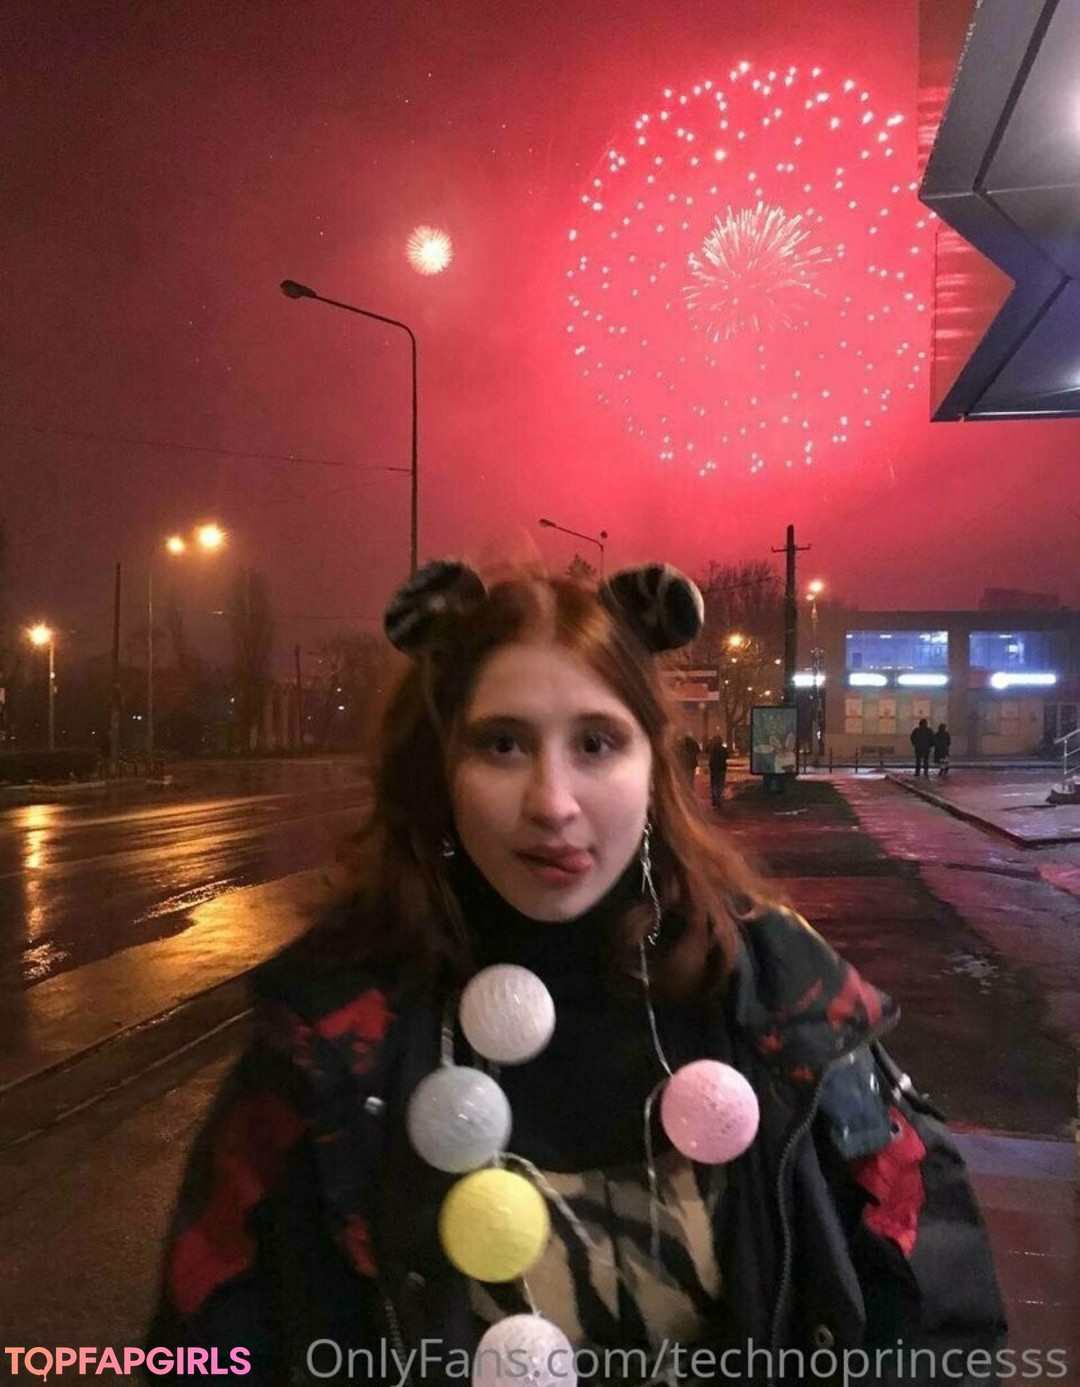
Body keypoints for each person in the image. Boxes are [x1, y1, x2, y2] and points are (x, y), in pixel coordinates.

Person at [150, 560, 1005, 1384]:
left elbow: (937, 1304)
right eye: (502, 744)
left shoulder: (778, 993)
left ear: (654, 763)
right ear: (440, 768)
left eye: (596, 742)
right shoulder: (334, 1033)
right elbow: (206, 1344)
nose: (552, 802)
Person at [706, 734, 729, 808]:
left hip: (714, 768)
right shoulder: (723, 749)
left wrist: (710, 743)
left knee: (714, 784)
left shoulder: (712, 749)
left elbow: (706, 750)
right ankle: (718, 799)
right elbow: (727, 756)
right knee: (720, 784)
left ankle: (714, 799)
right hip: (721, 768)